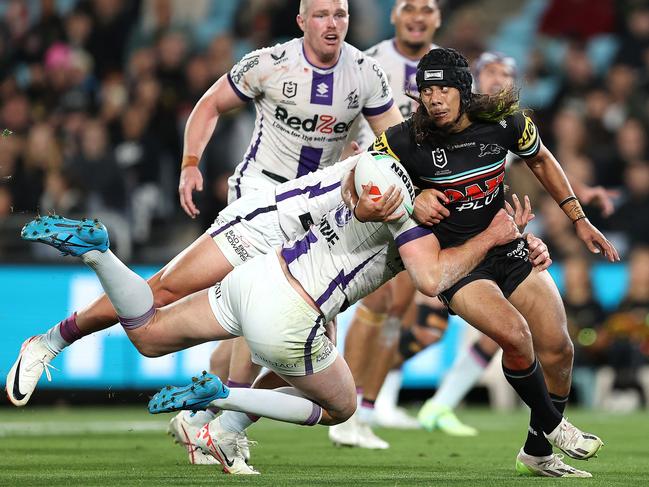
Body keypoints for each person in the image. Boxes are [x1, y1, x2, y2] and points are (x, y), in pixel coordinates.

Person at [20, 152, 599, 476]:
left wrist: (515, 247)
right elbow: (433, 277)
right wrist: (498, 234)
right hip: (292, 310)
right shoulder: (411, 219)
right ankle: (220, 398)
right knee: (339, 406)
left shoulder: (376, 172)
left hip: (258, 275)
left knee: (147, 335)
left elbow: (361, 181)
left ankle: (99, 252)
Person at [5, 0, 403, 464]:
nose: (332, 24)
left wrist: (373, 157)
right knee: (170, 290)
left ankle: (209, 425)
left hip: (317, 217)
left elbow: (395, 144)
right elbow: (209, 104)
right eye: (321, 14)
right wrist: (191, 163)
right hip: (262, 201)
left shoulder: (366, 74)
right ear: (301, 21)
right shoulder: (270, 63)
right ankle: (53, 342)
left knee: (307, 344)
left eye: (340, 14)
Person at [369, 47, 617, 478]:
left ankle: (537, 452)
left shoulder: (505, 123)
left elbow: (540, 158)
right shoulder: (405, 138)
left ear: (463, 89)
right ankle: (557, 426)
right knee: (515, 335)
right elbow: (363, 180)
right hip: (457, 263)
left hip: (507, 246)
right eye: (427, 90)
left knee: (559, 348)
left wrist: (579, 218)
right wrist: (412, 197)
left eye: (444, 88)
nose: (434, 99)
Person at [329, 0, 445, 449]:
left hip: (417, 196)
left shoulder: (446, 69)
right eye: (409, 7)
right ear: (394, 14)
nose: (418, 15)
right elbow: (343, 122)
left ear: (438, 18)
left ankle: (366, 409)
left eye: (428, 8)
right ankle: (346, 412)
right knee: (379, 303)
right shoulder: (369, 62)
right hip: (374, 190)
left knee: (397, 306)